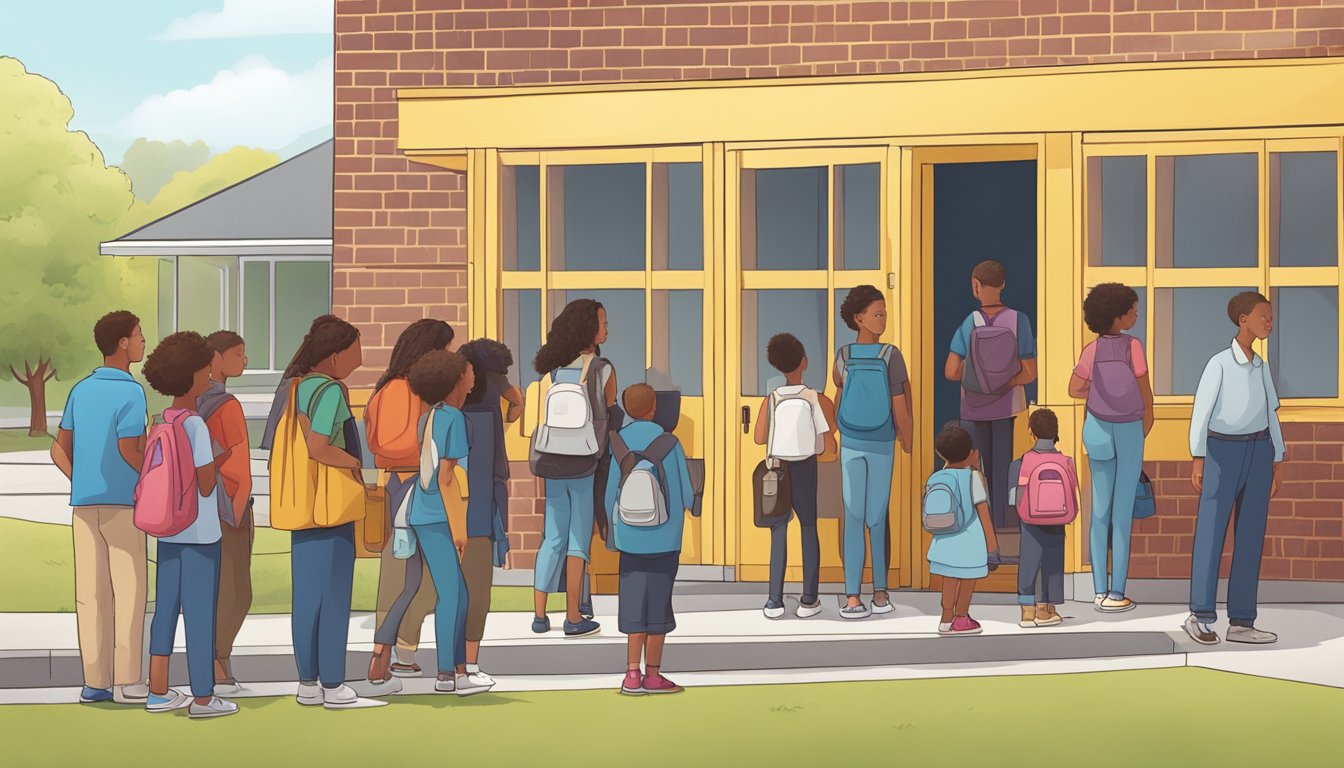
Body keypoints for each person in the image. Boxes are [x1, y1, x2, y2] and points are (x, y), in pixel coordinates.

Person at [275, 315, 385, 709]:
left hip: (303, 507)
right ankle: (335, 684)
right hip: (332, 508)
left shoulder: (298, 388)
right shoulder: (332, 392)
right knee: (335, 597)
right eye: (356, 347)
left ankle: (308, 681)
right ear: (336, 355)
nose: (361, 355)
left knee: (306, 599)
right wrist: (354, 465)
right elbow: (319, 447)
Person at [51, 310, 150, 705]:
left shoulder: (81, 390)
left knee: (90, 595)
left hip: (84, 504)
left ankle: (96, 682)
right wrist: (153, 480)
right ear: (123, 343)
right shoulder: (131, 391)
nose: (143, 342)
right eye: (139, 336)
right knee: (129, 591)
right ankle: (128, 682)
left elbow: (59, 448)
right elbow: (131, 449)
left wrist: (81, 479)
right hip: (123, 504)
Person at [140, 332, 238, 718]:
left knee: (165, 609)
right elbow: (206, 482)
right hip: (199, 533)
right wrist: (218, 459)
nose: (208, 376)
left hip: (168, 530)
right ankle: (202, 697)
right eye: (204, 370)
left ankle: (158, 690)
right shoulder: (195, 424)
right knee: (199, 614)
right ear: (192, 375)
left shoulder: (163, 420)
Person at [357, 319, 454, 695]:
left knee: (416, 576)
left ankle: (400, 651)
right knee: (408, 576)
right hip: (410, 485)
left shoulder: (390, 389)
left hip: (408, 484)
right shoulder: (404, 390)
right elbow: (393, 446)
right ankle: (387, 656)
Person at [1184, 292, 1285, 646]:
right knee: (1211, 532)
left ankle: (1242, 620)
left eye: (1270, 317)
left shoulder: (1261, 366)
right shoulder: (1219, 364)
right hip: (1221, 451)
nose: (1269, 323)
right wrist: (1198, 456)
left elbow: (1270, 413)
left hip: (1259, 452)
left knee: (1251, 537)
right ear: (1243, 319)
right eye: (1263, 316)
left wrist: (1277, 457)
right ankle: (1200, 615)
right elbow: (1202, 412)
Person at [405, 350, 493, 695]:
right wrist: (460, 529)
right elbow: (446, 478)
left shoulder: (427, 417)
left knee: (457, 593)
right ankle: (446, 675)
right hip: (440, 515)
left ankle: (457, 671)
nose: (473, 376)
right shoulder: (454, 418)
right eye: (469, 371)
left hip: (425, 514)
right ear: (457, 379)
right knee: (452, 594)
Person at [530, 299, 616, 638]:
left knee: (552, 536)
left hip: (552, 458)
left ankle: (539, 615)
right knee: (579, 539)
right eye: (603, 323)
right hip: (584, 460)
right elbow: (609, 405)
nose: (607, 329)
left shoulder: (555, 370)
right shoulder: (602, 367)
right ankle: (573, 616)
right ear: (589, 330)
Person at [604, 384, 694, 695]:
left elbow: (609, 497)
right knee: (659, 607)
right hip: (665, 540)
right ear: (654, 408)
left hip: (629, 539)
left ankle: (631, 674)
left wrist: (613, 536)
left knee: (632, 605)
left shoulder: (618, 442)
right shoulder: (670, 443)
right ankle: (653, 675)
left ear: (627, 410)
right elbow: (685, 492)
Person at [1069, 283, 1153, 612]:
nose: (1136, 314)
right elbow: (1145, 389)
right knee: (1122, 515)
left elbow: (1074, 388)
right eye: (1132, 309)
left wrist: (1099, 390)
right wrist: (1146, 423)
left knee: (1099, 512)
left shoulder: (1091, 350)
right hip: (1129, 429)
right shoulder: (1134, 346)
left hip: (1097, 429)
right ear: (1118, 315)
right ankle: (1117, 593)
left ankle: (1097, 590)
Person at [944, 259, 1036, 561]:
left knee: (974, 474)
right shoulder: (1019, 321)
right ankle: (1003, 541)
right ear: (1003, 285)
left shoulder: (969, 323)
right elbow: (1030, 373)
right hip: (1007, 408)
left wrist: (977, 378)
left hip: (972, 408)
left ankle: (979, 543)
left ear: (975, 285)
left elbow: (950, 371)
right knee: (1002, 474)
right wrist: (1004, 383)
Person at [833, 286, 912, 619]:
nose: (882, 320)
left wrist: (832, 432)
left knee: (856, 516)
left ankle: (854, 597)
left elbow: (837, 395)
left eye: (884, 314)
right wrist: (908, 440)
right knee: (875, 518)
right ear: (858, 318)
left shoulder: (843, 355)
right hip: (881, 443)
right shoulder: (891, 356)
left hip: (851, 441)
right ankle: (878, 593)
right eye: (877, 314)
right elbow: (899, 406)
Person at [754, 333, 836, 619]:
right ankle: (809, 600)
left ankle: (774, 601)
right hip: (805, 466)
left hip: (777, 468)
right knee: (808, 528)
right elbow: (826, 441)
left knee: (778, 530)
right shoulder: (812, 396)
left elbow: (758, 436)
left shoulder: (773, 398)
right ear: (804, 363)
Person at [459, 338, 524, 681]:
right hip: (489, 476)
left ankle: (453, 663)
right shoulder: (498, 381)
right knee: (480, 574)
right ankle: (470, 662)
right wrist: (510, 420)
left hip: (459, 489)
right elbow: (517, 403)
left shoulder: (453, 405)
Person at [197, 331, 254, 697]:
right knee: (237, 591)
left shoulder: (193, 401)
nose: (244, 360)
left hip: (200, 507)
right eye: (238, 353)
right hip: (228, 507)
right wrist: (238, 510)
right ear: (216, 358)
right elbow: (237, 464)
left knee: (214, 588)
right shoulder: (227, 405)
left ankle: (217, 663)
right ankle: (219, 663)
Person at [1007, 409, 1077, 628]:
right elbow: (1072, 492)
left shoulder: (1020, 463)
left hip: (1030, 521)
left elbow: (1012, 499)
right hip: (1057, 521)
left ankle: (1027, 613)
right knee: (1053, 563)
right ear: (1056, 433)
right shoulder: (1066, 461)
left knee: (1029, 561)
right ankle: (1045, 609)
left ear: (1031, 433)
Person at [927, 423, 997, 636]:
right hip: (969, 542)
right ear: (971, 454)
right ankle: (961, 617)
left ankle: (945, 617)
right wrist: (992, 545)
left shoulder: (936, 477)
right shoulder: (973, 478)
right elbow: (983, 512)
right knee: (967, 580)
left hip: (944, 541)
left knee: (949, 579)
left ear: (941, 454)